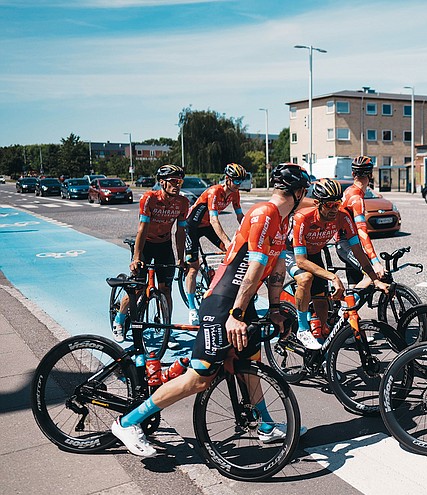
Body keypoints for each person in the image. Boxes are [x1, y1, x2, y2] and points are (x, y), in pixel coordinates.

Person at [111, 163, 310, 457]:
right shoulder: (264, 214)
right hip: (223, 302)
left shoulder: (283, 221)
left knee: (249, 362)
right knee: (200, 377)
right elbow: (254, 267)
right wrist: (236, 315)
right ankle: (128, 422)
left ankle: (265, 426)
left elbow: (277, 266)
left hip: (242, 302)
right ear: (299, 191)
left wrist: (277, 306)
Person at [286, 178, 390, 350]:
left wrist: (376, 279)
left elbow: (358, 251)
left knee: (321, 299)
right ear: (318, 203)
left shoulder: (343, 216)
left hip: (314, 253)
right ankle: (303, 329)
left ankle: (326, 333)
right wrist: (333, 277)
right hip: (290, 253)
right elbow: (301, 261)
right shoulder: (302, 218)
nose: (335, 209)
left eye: (337, 203)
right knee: (306, 279)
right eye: (329, 205)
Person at [113, 164, 189, 343]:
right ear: (162, 182)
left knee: (166, 290)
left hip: (164, 245)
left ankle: (166, 330)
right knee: (138, 288)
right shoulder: (149, 198)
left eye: (180, 181)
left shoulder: (183, 202)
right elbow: (142, 228)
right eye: (173, 181)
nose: (177, 185)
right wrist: (137, 257)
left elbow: (180, 232)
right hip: (146, 244)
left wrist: (181, 258)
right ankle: (119, 319)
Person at [184, 162, 246, 325]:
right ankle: (192, 308)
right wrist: (227, 241)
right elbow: (214, 220)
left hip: (207, 227)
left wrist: (247, 234)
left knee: (231, 253)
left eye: (241, 181)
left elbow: (240, 217)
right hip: (193, 226)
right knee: (193, 268)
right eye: (236, 181)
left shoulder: (235, 193)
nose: (239, 184)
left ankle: (219, 284)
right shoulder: (214, 191)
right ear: (227, 179)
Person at [336, 156, 386, 288]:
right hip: (347, 244)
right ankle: (347, 309)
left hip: (346, 242)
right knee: (372, 274)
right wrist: (375, 261)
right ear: (370, 174)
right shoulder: (357, 199)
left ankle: (348, 306)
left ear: (353, 174)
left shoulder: (348, 190)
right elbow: (362, 232)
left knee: (353, 287)